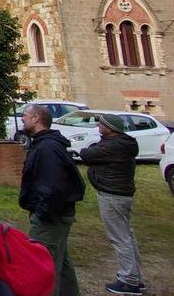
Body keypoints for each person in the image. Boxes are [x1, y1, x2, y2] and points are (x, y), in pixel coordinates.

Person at [19, 104, 85, 296]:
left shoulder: (47, 148)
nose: (22, 118)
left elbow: (51, 186)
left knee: (43, 265)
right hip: (56, 214)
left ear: (36, 119)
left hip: (50, 217)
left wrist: (42, 215)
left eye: (25, 115)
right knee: (60, 262)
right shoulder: (45, 144)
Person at [79, 113, 143, 295]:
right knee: (127, 236)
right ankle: (136, 277)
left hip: (112, 195)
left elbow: (87, 154)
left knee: (120, 238)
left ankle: (129, 281)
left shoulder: (113, 146)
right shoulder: (123, 143)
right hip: (121, 194)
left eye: (101, 124)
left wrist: (91, 148)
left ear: (110, 128)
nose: (99, 126)